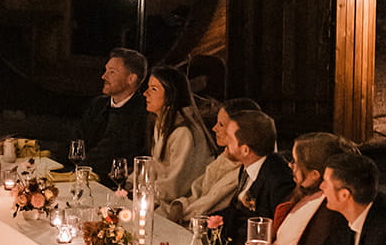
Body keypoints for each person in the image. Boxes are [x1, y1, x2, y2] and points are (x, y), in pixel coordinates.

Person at [160, 97, 259, 223]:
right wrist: (180, 204)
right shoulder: (224, 158)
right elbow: (198, 191)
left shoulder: (243, 172)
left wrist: (180, 210)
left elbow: (207, 205)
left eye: (221, 125)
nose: (214, 128)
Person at [215, 108, 294, 245]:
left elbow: (275, 230)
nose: (226, 141)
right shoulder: (247, 167)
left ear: (245, 150)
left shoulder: (278, 179)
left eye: (230, 137)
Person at [271, 132, 350, 245]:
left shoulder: (327, 210)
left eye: (295, 162)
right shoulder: (301, 193)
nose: (290, 165)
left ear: (314, 174)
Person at [143, 65, 214, 206]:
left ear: (171, 95)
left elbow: (176, 185)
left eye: (153, 89)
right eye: (148, 87)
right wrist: (131, 181)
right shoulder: (161, 123)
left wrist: (142, 190)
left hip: (180, 204)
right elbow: (157, 166)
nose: (145, 93)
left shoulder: (183, 132)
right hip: (159, 196)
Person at [77, 49, 149, 178]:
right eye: (106, 70)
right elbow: (77, 140)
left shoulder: (143, 113)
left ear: (131, 78)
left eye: (112, 72)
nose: (103, 76)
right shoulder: (98, 104)